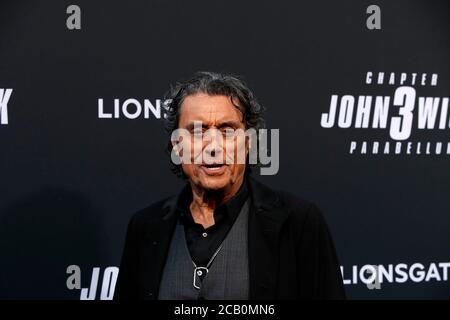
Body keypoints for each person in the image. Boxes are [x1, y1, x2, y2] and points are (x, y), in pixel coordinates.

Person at [114, 71, 345, 300]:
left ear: (248, 143)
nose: (213, 146)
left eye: (227, 131)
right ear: (177, 146)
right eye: (198, 131)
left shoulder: (298, 224)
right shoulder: (145, 228)